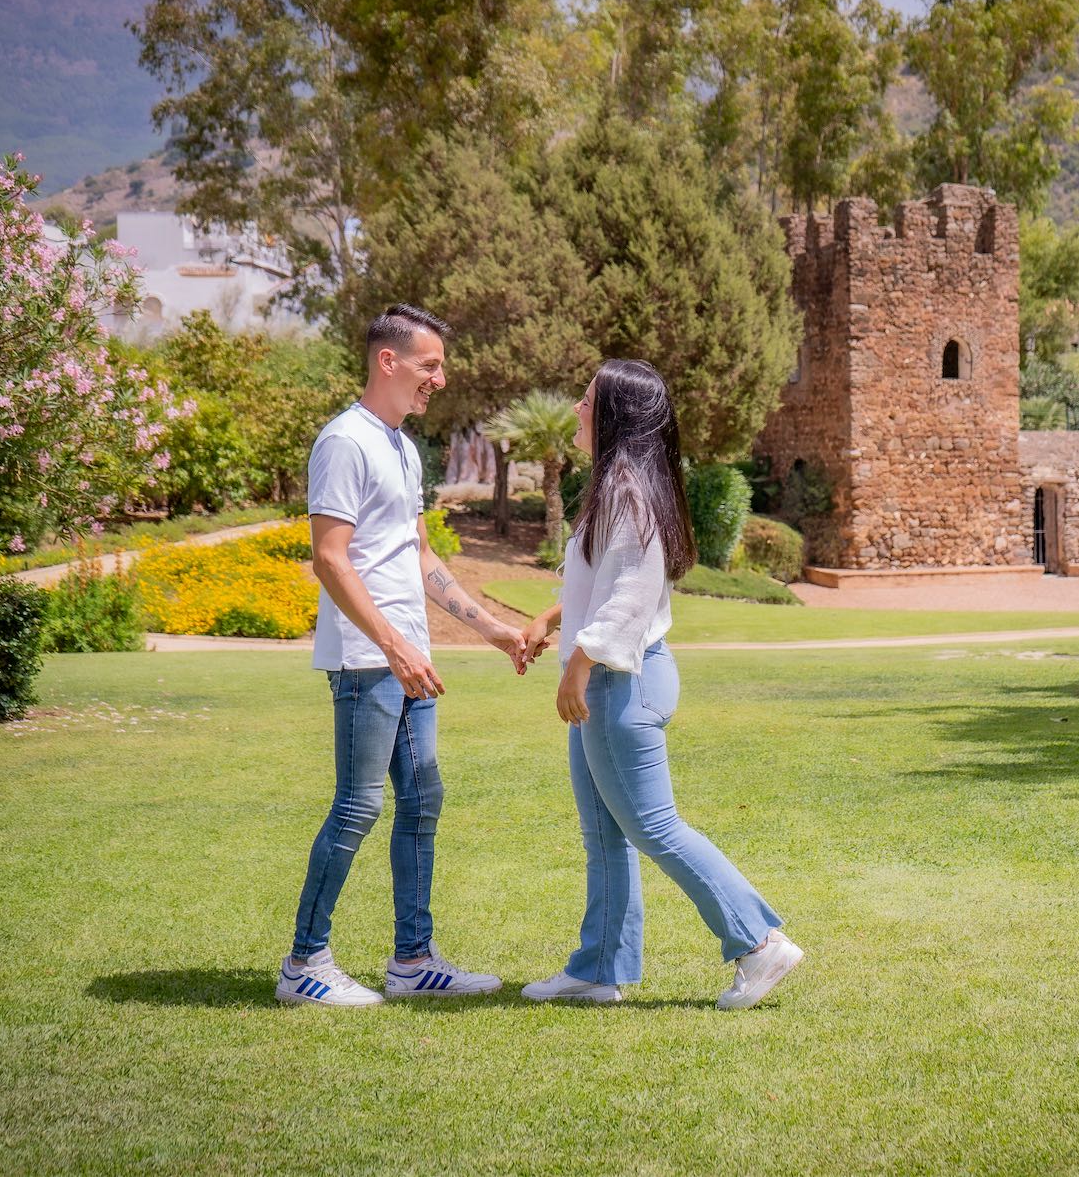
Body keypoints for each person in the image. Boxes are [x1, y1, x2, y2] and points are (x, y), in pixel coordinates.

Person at [517, 359, 803, 1010]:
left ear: (614, 415)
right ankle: (598, 969)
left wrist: (580, 662)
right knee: (604, 831)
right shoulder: (620, 488)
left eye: (586, 399)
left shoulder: (626, 491)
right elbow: (609, 581)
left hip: (621, 682)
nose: (576, 409)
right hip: (616, 678)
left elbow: (632, 593)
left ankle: (759, 943)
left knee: (654, 825)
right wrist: (551, 619)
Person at [277, 304, 529, 1007]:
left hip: (408, 663)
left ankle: (413, 960)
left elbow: (418, 557)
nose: (439, 380)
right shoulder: (344, 441)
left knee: (422, 799)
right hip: (368, 661)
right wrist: (392, 647)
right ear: (388, 361)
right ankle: (304, 963)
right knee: (358, 805)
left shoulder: (403, 447)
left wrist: (494, 629)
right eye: (430, 365)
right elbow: (330, 559)